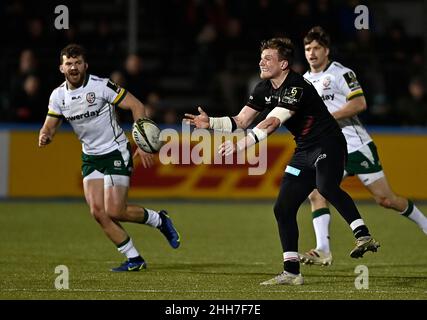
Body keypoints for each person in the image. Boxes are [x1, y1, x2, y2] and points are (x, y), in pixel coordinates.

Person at [184, 37, 380, 285]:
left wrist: (241, 145)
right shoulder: (263, 88)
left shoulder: (296, 86)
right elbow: (241, 121)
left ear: (284, 64)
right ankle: (292, 272)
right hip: (304, 150)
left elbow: (273, 122)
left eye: (268, 58)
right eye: (261, 57)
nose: (261, 62)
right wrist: (209, 123)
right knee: (283, 208)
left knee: (326, 186)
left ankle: (363, 235)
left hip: (329, 143)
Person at [38, 44, 180, 272]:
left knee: (115, 210)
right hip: (91, 157)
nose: (73, 67)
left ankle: (159, 220)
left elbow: (136, 105)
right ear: (61, 68)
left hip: (115, 151)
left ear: (85, 65)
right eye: (68, 64)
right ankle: (134, 259)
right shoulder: (58, 96)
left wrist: (142, 140)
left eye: (77, 63)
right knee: (98, 212)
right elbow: (50, 126)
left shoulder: (101, 86)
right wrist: (45, 134)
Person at [299, 26, 427, 267]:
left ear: (326, 51)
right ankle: (323, 249)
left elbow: (359, 103)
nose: (311, 53)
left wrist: (327, 118)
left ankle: (425, 225)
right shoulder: (304, 81)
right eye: (307, 49)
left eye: (316, 48)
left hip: (356, 146)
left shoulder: (341, 73)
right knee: (316, 192)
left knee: (386, 200)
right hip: (331, 149)